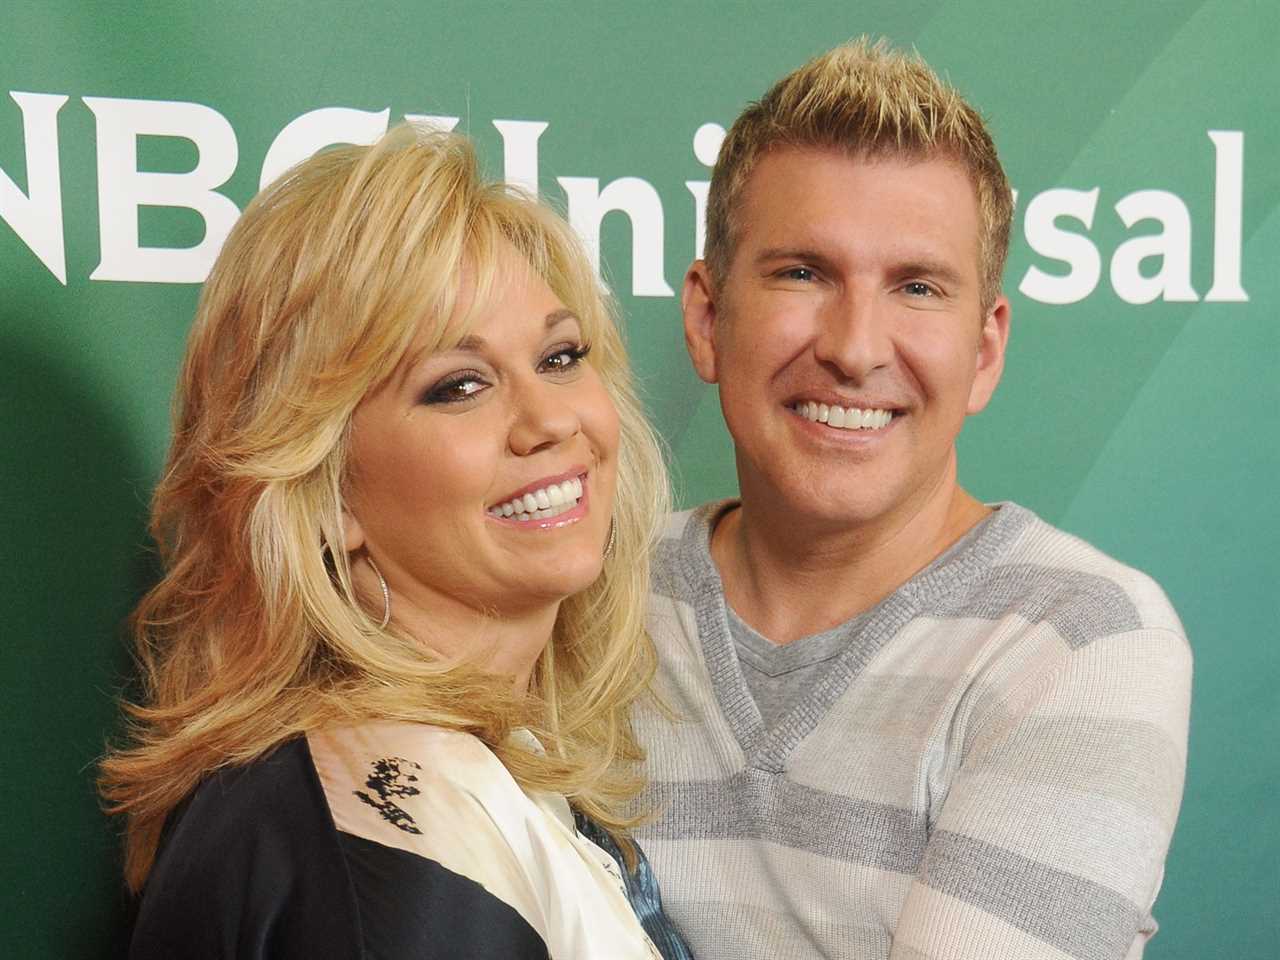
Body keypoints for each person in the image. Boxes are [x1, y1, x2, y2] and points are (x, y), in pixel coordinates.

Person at [631, 39, 1192, 960]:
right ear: (705, 318)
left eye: (917, 287)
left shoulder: (1083, 636)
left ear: (983, 350)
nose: (855, 347)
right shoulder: (590, 594)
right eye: (802, 273)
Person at [100, 125, 692, 960]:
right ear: (324, 491)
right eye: (460, 386)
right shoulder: (393, 836)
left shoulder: (453, 777)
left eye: (560, 357)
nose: (553, 420)